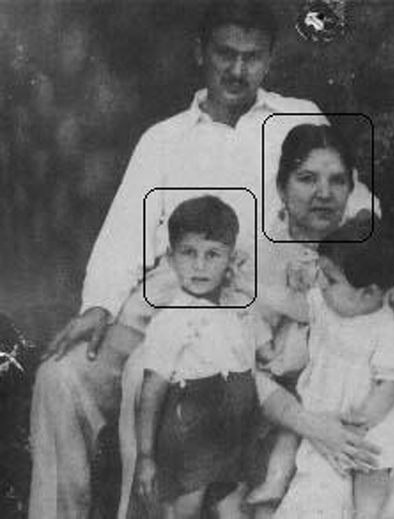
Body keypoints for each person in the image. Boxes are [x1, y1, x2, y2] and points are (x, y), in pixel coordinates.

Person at [28, 2, 374, 518]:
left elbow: (356, 204)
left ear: (270, 58)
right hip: (165, 303)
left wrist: (330, 285)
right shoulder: (164, 139)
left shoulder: (296, 117)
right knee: (60, 378)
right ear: (200, 52)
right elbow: (124, 235)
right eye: (225, 54)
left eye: (252, 57)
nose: (237, 70)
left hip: (255, 312)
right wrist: (98, 304)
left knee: (153, 378)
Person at [247, 124, 394, 519]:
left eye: (337, 180)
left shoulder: (376, 253)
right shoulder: (257, 257)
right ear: (282, 187)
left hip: (361, 414)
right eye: (307, 178)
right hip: (275, 416)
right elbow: (237, 361)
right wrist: (308, 423)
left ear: (351, 186)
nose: (324, 193)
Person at [132, 195, 269, 519]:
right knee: (186, 509)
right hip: (190, 429)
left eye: (213, 254)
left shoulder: (240, 305)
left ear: (231, 258)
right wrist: (146, 455)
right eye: (188, 253)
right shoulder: (171, 319)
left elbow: (265, 352)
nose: (199, 265)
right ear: (171, 258)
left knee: (236, 506)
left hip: (236, 426)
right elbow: (151, 390)